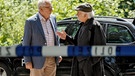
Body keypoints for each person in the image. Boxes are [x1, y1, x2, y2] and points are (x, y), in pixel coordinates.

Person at [57, 3, 106, 76]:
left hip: (90, 67)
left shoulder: (95, 26)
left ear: (85, 15)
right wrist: (66, 37)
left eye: (78, 13)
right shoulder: (83, 25)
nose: (77, 15)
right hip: (80, 63)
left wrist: (88, 63)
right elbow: (77, 43)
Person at [22, 0, 62, 76]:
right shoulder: (31, 22)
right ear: (40, 9)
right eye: (48, 7)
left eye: (51, 6)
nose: (51, 9)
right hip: (36, 60)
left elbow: (56, 38)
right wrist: (27, 60)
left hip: (52, 58)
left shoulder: (53, 18)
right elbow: (26, 42)